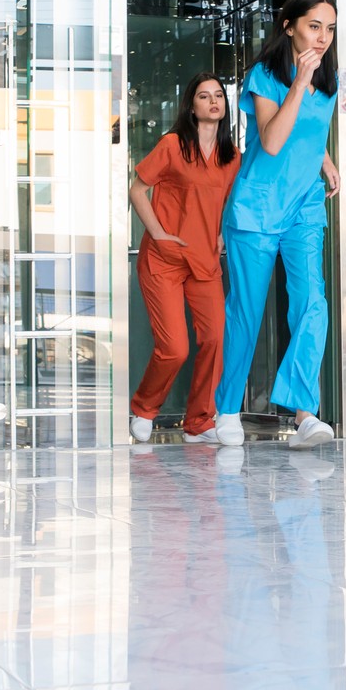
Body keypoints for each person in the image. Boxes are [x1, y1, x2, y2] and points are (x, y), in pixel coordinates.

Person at [214, 0, 342, 450]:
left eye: (329, 28)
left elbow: (308, 129)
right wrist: (297, 83)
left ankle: (305, 412)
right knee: (246, 314)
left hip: (305, 203)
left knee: (312, 303)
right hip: (258, 205)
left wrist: (324, 158)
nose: (323, 37)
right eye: (314, 26)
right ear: (289, 26)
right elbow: (271, 141)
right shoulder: (266, 75)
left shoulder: (328, 79)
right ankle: (226, 408)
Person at [129, 73, 240, 446]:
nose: (213, 101)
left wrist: (222, 232)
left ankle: (199, 422)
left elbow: (225, 201)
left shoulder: (231, 157)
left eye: (219, 96)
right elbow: (138, 189)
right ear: (191, 107)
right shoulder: (173, 145)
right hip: (165, 259)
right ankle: (144, 408)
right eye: (204, 96)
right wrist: (158, 233)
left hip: (205, 262)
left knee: (214, 339)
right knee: (174, 347)